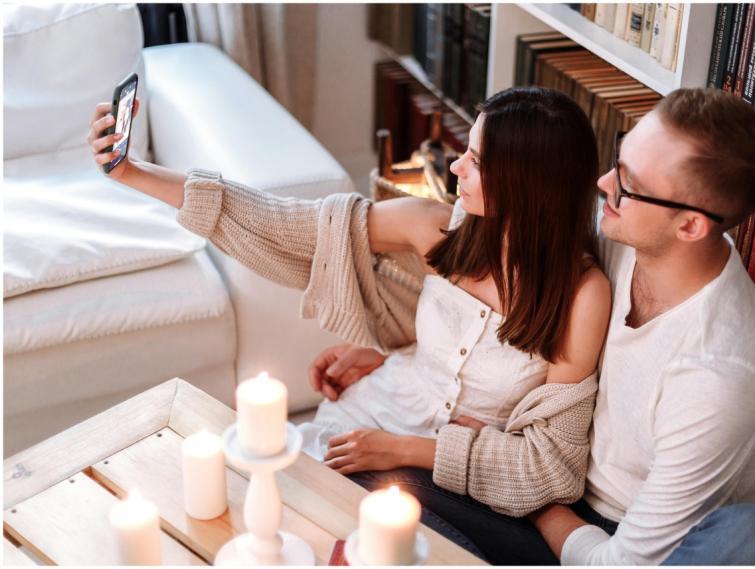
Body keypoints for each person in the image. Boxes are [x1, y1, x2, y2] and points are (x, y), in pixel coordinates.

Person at [86, 87, 611, 565]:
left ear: (528, 182)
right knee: (260, 518)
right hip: (370, 419)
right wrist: (133, 173)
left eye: (476, 160)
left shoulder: (581, 296)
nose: (456, 168)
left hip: (446, 472)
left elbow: (550, 467)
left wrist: (401, 449)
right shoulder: (436, 228)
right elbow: (283, 224)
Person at [309, 88, 755, 565]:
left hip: (617, 532)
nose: (605, 183)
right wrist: (413, 355)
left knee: (382, 492)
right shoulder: (626, 232)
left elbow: (620, 561)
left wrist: (535, 494)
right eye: (618, 159)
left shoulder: (717, 377)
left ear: (690, 225)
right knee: (362, 484)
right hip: (547, 485)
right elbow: (505, 292)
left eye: (628, 183)